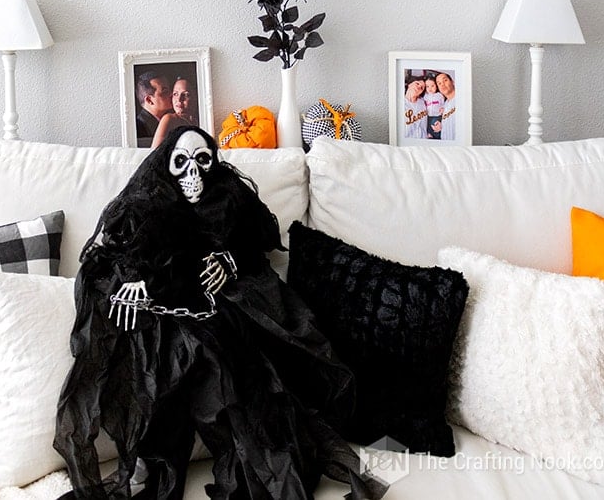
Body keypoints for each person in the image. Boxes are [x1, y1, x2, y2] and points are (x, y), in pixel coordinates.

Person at [54, 125, 387, 500]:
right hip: (175, 308)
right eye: (182, 163)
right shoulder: (148, 204)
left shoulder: (229, 198)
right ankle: (147, 455)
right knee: (163, 349)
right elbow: (115, 253)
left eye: (202, 160)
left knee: (251, 365)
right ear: (168, 165)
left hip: (227, 303)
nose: (193, 174)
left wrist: (231, 260)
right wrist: (136, 279)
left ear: (213, 162)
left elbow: (257, 239)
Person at [149, 77, 198, 150]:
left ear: (196, 97)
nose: (179, 99)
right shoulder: (169, 119)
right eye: (175, 94)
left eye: (185, 95)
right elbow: (154, 153)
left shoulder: (199, 120)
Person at [134, 72, 171, 147]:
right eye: (165, 91)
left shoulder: (171, 119)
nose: (171, 94)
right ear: (149, 100)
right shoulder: (138, 128)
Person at [431, 72, 456, 140]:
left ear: (452, 82)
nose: (442, 85)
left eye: (445, 80)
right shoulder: (445, 104)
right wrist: (442, 125)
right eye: (439, 83)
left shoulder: (462, 99)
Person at [404, 73, 428, 141]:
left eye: (422, 88)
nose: (419, 87)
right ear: (409, 84)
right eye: (417, 83)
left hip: (423, 142)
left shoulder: (423, 101)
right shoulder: (399, 103)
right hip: (407, 143)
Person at [423, 74, 445, 141]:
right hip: (428, 116)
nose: (430, 88)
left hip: (437, 115)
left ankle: (437, 136)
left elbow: (444, 104)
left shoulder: (439, 95)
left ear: (436, 86)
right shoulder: (425, 96)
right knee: (428, 125)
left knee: (436, 126)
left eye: (432, 86)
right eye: (427, 86)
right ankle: (430, 135)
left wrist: (443, 108)